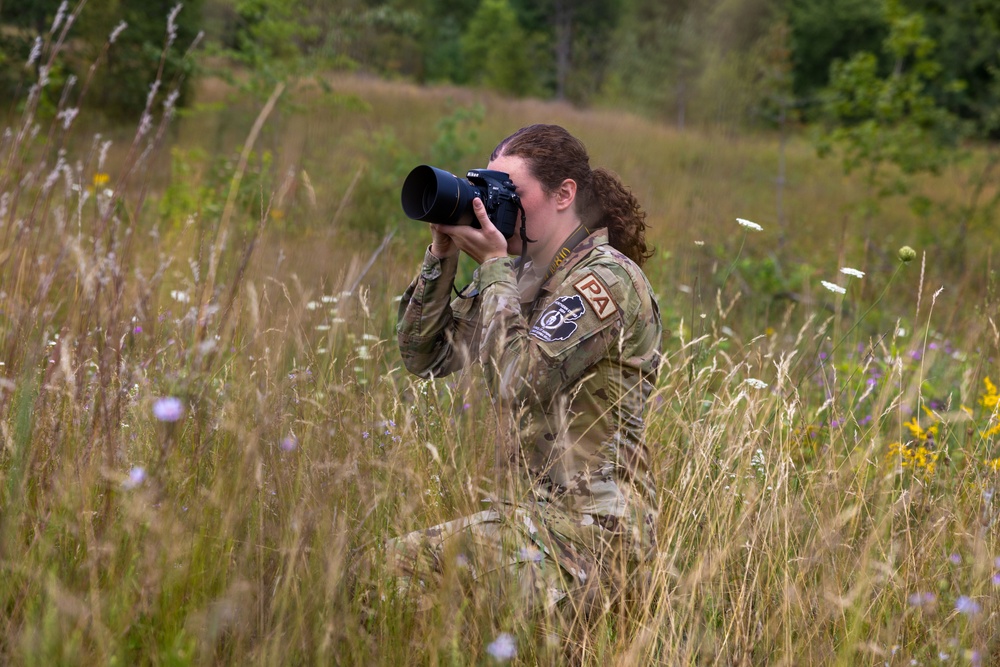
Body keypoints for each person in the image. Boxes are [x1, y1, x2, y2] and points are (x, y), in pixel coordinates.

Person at [391, 123, 662, 618]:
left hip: (597, 535)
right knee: (391, 581)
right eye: (487, 189)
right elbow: (422, 355)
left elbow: (519, 380)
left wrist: (493, 266)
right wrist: (441, 254)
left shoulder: (604, 279)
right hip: (532, 519)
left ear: (564, 195)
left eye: (510, 193)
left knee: (398, 570)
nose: (496, 206)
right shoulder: (520, 275)